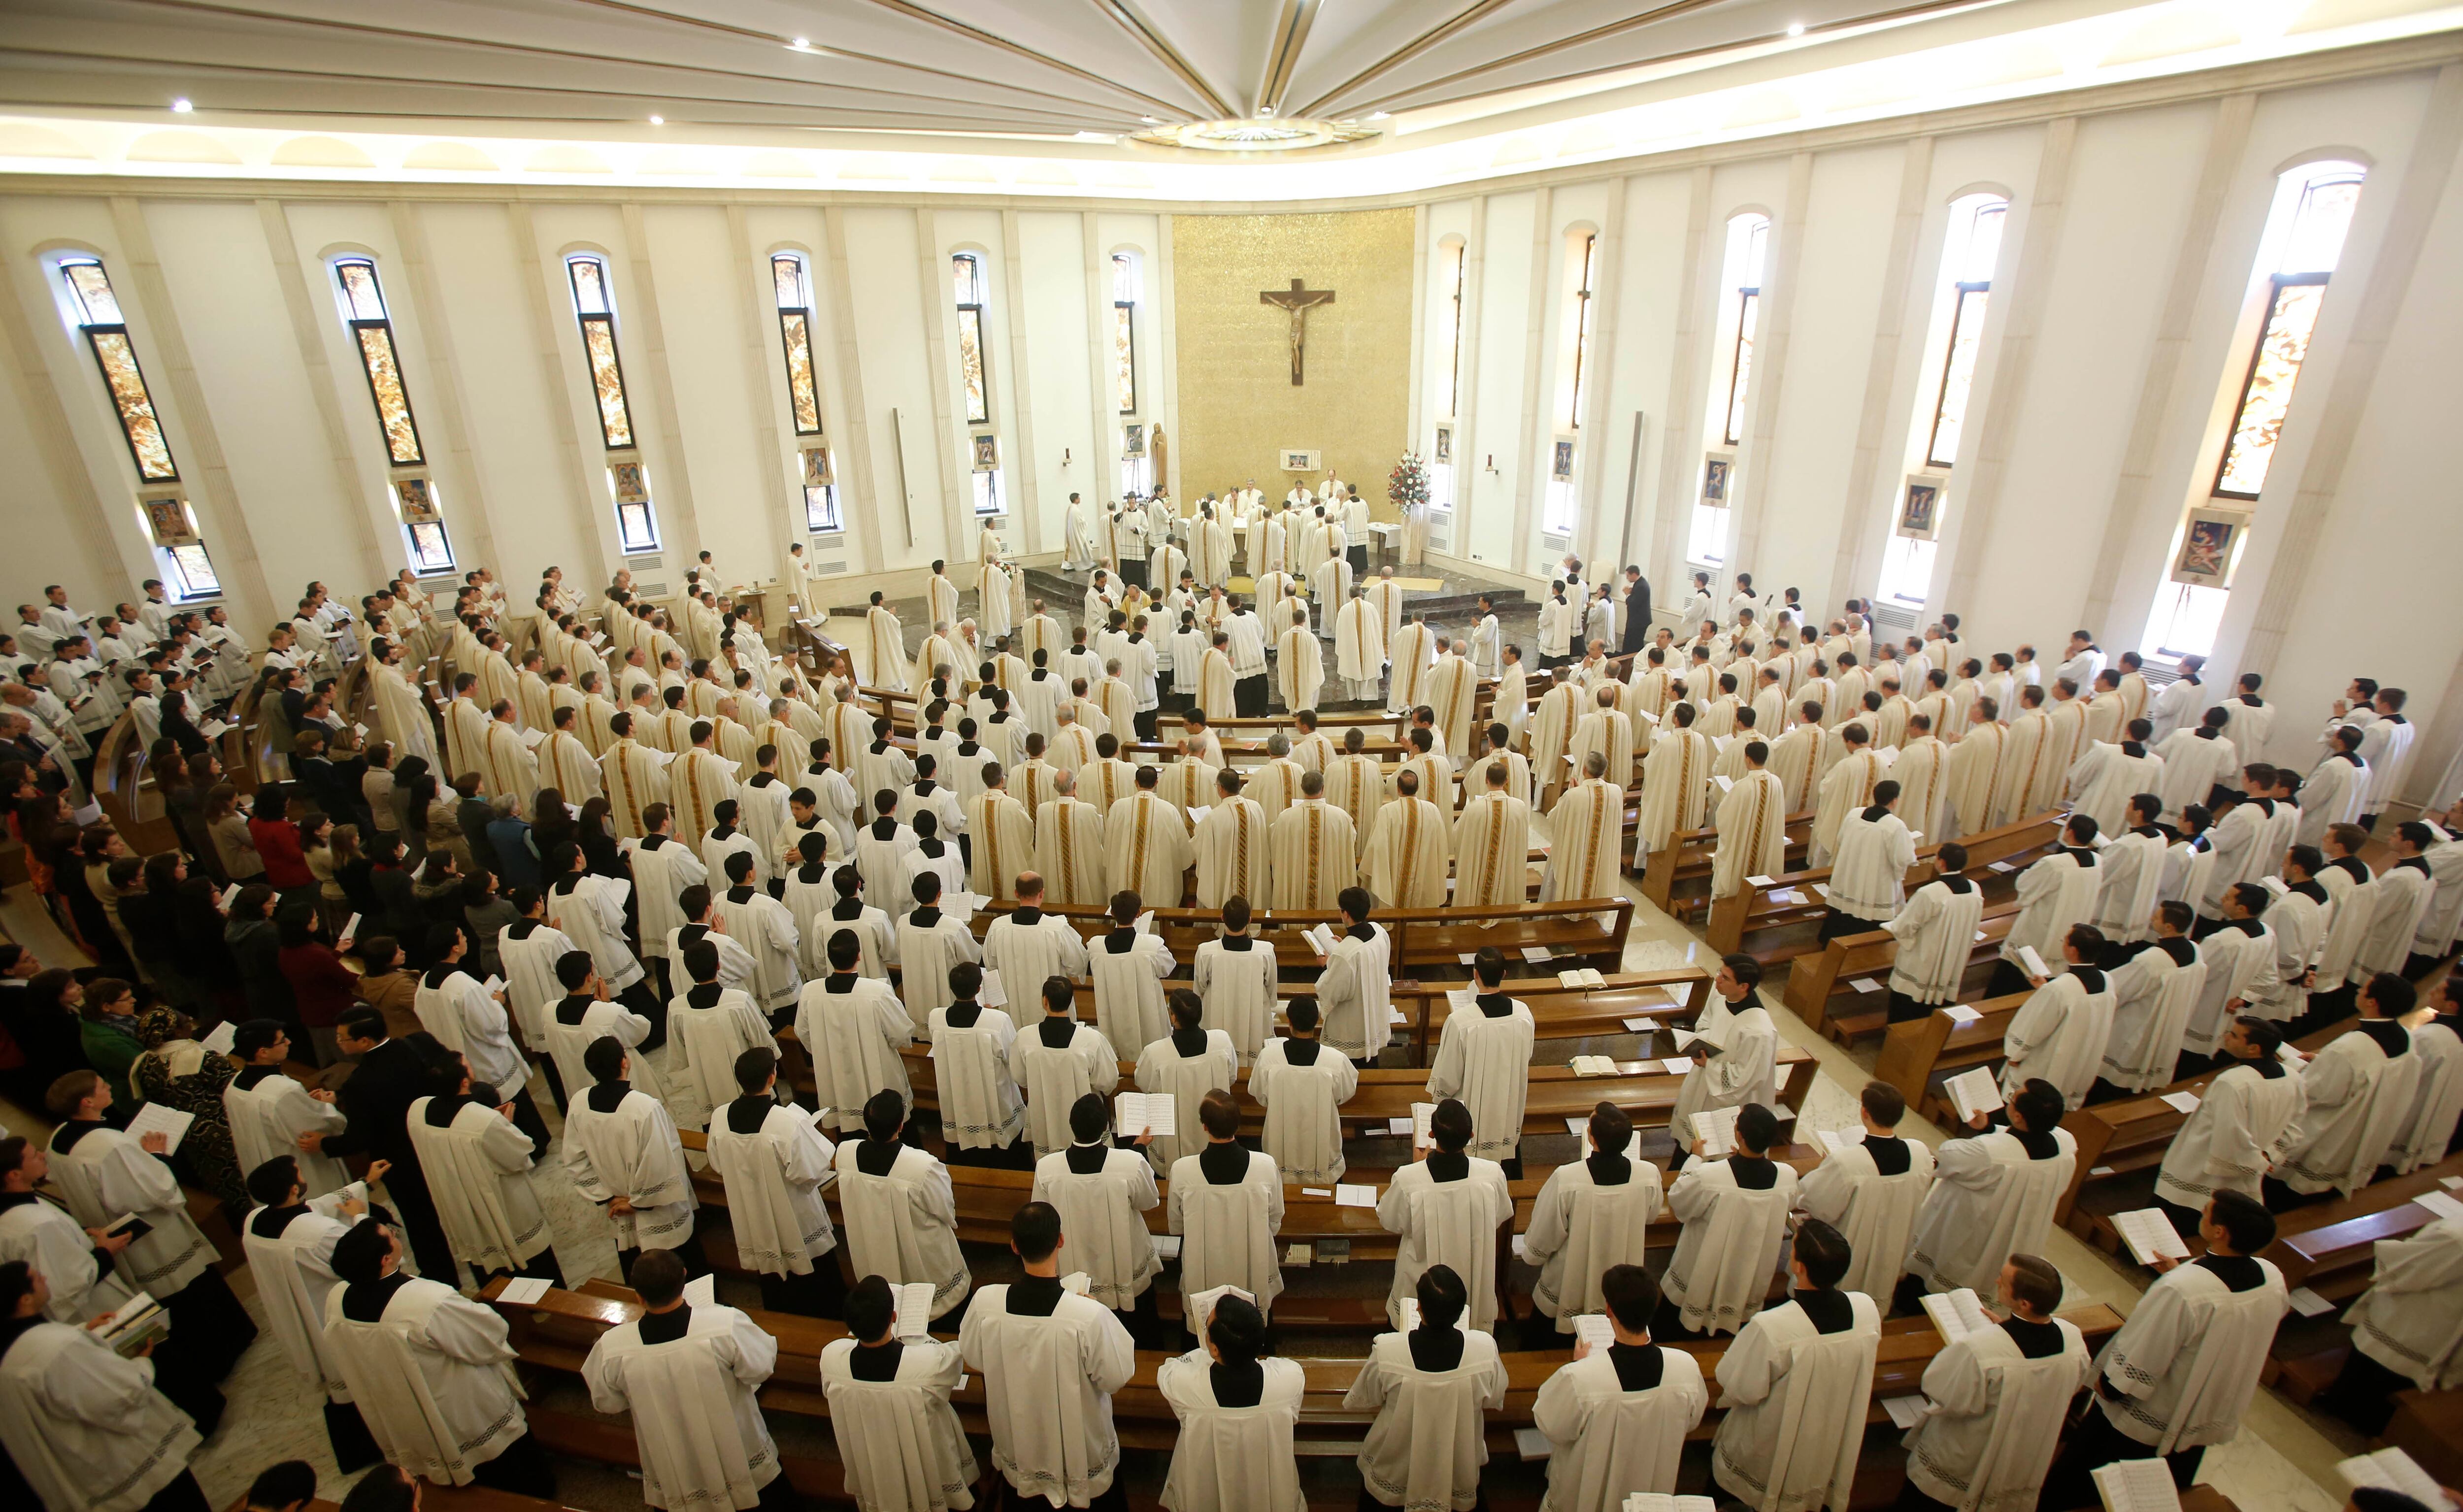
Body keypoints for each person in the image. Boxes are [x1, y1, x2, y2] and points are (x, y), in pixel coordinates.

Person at [41, 1069, 255, 1426]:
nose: (110, 1086)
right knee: (189, 1290)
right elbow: (153, 1191)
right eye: (102, 1086)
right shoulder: (109, 1144)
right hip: (154, 1235)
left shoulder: (60, 1139)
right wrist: (155, 1156)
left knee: (171, 1295)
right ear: (87, 1102)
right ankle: (224, 1352)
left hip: (121, 1235)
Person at [2042, 1192, 2288, 1501]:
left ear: (2219, 1232)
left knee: (2084, 1492)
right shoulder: (2271, 1278)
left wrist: (2110, 1386)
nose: (2202, 1211)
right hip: (2203, 1409)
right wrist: (2178, 1273)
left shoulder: (2184, 1290)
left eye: (2208, 1210)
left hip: (2146, 1418)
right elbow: (2226, 1322)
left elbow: (2151, 1347)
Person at [321, 1220, 557, 1494]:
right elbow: (486, 1334)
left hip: (402, 1403)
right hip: (457, 1402)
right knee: (506, 1464)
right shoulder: (426, 1301)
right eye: (392, 1235)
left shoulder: (337, 1298)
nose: (397, 1236)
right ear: (385, 1260)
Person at [959, 1202, 1139, 1512]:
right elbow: (1115, 1376)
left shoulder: (986, 1303)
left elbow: (975, 1357)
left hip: (1020, 1438)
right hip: (1078, 1444)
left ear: (1014, 1247)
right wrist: (1089, 1307)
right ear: (1060, 1240)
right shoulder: (1088, 1315)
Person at [582, 1247, 791, 1512]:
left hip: (672, 1459)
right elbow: (760, 1369)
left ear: (638, 1296)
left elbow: (607, 1403)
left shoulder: (612, 1347)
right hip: (736, 1446)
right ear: (684, 1278)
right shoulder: (724, 1324)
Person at [0, 1258, 212, 1512]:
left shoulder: (9, 1358)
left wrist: (83, 1332)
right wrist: (141, 1363)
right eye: (36, 1277)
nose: (45, 1278)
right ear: (25, 1299)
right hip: (123, 1462)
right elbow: (120, 1396)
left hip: (82, 1472)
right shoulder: (58, 1347)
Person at [1895, 1252, 2092, 1512]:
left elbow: (1943, 1393)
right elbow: (2069, 1384)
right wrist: (2006, 1330)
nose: (1997, 1281)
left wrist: (1987, 1342)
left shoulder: (1981, 1348)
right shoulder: (2073, 1338)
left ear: (2024, 1303)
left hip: (1969, 1452)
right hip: (2023, 1452)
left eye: (2004, 1280)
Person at [1708, 1219, 1883, 1512]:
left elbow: (1739, 1386)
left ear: (1799, 1266)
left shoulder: (1774, 1326)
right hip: (1831, 1429)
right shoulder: (1866, 1309)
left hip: (1774, 1436)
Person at [237, 1154, 385, 1469]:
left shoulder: (255, 1221)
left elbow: (317, 1205)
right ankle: (373, 1445)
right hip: (325, 1308)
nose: (304, 1177)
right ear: (293, 1189)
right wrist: (361, 1218)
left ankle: (352, 1451)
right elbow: (361, 1255)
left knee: (333, 1383)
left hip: (294, 1314)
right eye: (300, 1174)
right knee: (354, 1376)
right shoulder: (315, 1234)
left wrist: (363, 1184)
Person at [1529, 1263, 1706, 1510]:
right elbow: (1692, 1420)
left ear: (1609, 1309)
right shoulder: (1686, 1367)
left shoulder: (1581, 1378)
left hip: (1586, 1492)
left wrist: (1580, 1366)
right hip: (1650, 1485)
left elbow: (1551, 1424)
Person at [1343, 1265, 1507, 1512]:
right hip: (1456, 1458)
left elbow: (1367, 1397)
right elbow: (1495, 1397)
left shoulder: (1389, 1350)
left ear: (1419, 1308)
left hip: (1397, 1463)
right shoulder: (1484, 1349)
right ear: (1461, 1311)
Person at [1901, 1079, 2077, 1305]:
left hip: (1972, 1226)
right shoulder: (2066, 1144)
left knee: (1941, 1271)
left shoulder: (1987, 1153)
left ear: (2018, 1117)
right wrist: (1989, 1128)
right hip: (2018, 1228)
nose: (2010, 1098)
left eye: (2013, 1097)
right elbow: (2021, 1146)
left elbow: (1945, 1159)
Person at [818, 1274, 980, 1512]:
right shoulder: (926, 1366)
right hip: (925, 1454)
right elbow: (954, 1359)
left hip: (872, 1456)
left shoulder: (832, 1359)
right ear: (894, 1318)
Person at [704, 1046, 843, 1317]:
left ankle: (779, 1311)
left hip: (751, 1211)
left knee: (772, 1271)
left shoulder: (720, 1117)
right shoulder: (785, 1121)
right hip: (793, 1211)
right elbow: (812, 1171)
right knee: (817, 1281)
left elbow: (717, 1163)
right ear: (772, 1078)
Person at [405, 1053, 559, 1288]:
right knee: (531, 1262)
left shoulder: (417, 1110)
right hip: (500, 1200)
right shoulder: (483, 1120)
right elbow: (519, 1155)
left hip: (459, 1202)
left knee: (490, 1268)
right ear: (464, 1082)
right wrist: (505, 1124)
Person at [2269, 972, 2422, 1205]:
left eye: (2365, 988)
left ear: (2372, 1002)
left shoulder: (2350, 1048)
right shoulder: (2407, 1039)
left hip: (2330, 1128)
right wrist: (2323, 1062)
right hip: (2362, 1126)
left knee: (2289, 1187)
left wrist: (2293, 1065)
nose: (2359, 990)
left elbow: (2316, 1092)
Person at [562, 1036, 703, 1279]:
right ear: (624, 1062)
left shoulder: (579, 1103)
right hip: (656, 1210)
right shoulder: (643, 1108)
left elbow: (575, 1159)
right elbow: (660, 1162)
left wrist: (608, 1197)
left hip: (617, 1204)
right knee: (678, 1274)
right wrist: (636, 1202)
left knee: (641, 1269)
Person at [1155, 1290, 1306, 1512]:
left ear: (1214, 1349)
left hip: (1205, 1484)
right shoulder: (1289, 1379)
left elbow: (1169, 1369)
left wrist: (1208, 1354)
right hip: (1268, 1481)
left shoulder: (1186, 1385)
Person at [1522, 1104, 1661, 1342]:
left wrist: (1533, 1254)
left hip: (1570, 1277)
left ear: (1591, 1137)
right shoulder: (1648, 1174)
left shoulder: (1567, 1178)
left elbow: (1546, 1232)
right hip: (1623, 1279)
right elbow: (1650, 1216)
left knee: (1545, 1341)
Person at [2152, 1015, 2303, 1233]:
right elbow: (2296, 1123)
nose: (2227, 1037)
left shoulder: (2233, 1082)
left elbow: (2231, 1133)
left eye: (2234, 1035)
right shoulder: (2292, 1077)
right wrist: (2269, 1154)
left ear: (2253, 1049)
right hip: (2249, 1164)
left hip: (2205, 1163)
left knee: (2183, 1214)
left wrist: (2258, 1160)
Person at [1659, 1102, 1798, 1337]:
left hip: (1705, 1261)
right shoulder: (1787, 1176)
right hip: (1749, 1267)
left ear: (1739, 1135)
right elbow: (1788, 1205)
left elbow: (1679, 1198)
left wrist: (1695, 1158)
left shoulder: (1710, 1176)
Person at [2320, 1212, 2463, 1435]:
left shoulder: (2457, 1237)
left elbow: (2412, 1267)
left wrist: (2394, 1253)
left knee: (2375, 1371)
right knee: (2388, 1378)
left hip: (2417, 1317)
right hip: (2441, 1322)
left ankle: (2348, 1413)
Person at [1378, 1098, 1513, 1333]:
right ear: (1471, 1135)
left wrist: (1417, 1166)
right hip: (1473, 1267)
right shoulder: (1491, 1175)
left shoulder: (1408, 1178)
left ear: (1431, 1134)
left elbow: (1389, 1220)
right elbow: (1499, 1216)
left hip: (1424, 1275)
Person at [835, 1091, 970, 1322]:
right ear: (901, 1125)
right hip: (920, 1249)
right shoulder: (922, 1166)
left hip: (873, 1243)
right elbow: (945, 1209)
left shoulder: (845, 1154)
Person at [1796, 1081, 1935, 1303]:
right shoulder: (1920, 1153)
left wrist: (1828, 1169)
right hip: (1894, 1244)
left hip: (1850, 1247)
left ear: (1865, 1112)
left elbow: (1814, 1203)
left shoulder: (1848, 1161)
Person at [1031, 1093, 1161, 1327]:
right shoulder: (1130, 1163)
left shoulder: (1047, 1168)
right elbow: (1149, 1201)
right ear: (1105, 1128)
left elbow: (1043, 1215)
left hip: (1073, 1256)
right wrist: (1139, 1149)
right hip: (1123, 1256)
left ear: (1072, 1126)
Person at [1167, 1089, 1286, 1320]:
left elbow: (1177, 1223)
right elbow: (1275, 1217)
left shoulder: (1182, 1170)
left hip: (1203, 1262)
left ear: (1204, 1126)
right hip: (1253, 1256)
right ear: (1237, 1124)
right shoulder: (1265, 1166)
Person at [1425, 946, 1535, 1175]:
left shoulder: (1461, 1021)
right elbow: (1527, 1056)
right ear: (1505, 974)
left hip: (1469, 1115)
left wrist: (1439, 1101)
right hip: (1507, 1105)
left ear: (1475, 975)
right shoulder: (1524, 1014)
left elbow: (1448, 1078)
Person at [796, 930, 916, 1139]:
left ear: (830, 958)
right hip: (876, 1069)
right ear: (859, 956)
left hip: (835, 1074)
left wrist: (825, 1050)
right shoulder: (877, 992)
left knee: (848, 1131)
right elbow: (901, 1033)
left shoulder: (810, 992)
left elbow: (803, 1033)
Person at [1669, 954, 1780, 1166]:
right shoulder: (1721, 995)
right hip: (1702, 1080)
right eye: (1720, 972)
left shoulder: (1759, 1031)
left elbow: (1745, 1079)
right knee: (1688, 1138)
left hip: (1729, 1100)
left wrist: (1709, 1065)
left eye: (1725, 977)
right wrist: (1703, 1042)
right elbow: (1706, 1021)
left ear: (1744, 986)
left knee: (1714, 1151)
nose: (1718, 979)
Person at [223, 1019, 351, 1194]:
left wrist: (306, 1103)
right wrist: (328, 1106)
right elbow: (316, 1129)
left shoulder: (233, 1087)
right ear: (263, 1052)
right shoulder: (283, 1091)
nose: (289, 1042)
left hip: (267, 1165)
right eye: (283, 1040)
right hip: (302, 1169)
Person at [1997, 923, 2117, 1107]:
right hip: (2079, 1058)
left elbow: (2034, 1027)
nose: (2062, 944)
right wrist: (2045, 987)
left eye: (2064, 941)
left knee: (2029, 1107)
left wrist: (2014, 1055)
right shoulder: (2107, 980)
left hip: (2048, 1061)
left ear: (2073, 950)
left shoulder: (2061, 988)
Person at [666, 938, 779, 1122]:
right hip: (752, 1084)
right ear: (719, 966)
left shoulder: (676, 1008)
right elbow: (762, 1041)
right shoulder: (738, 1001)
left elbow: (678, 1055)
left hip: (708, 1086)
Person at [1249, 997, 1356, 1183]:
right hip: (1323, 1146)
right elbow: (1344, 1095)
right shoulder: (1335, 1060)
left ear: (1289, 1022)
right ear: (1317, 1021)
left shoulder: (1268, 1058)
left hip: (1280, 1141)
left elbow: (1261, 1096)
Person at [1881, 843, 1984, 1023]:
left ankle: (1897, 1036)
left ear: (1942, 863)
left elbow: (1906, 925)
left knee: (1908, 1007)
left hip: (1925, 956)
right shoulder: (1975, 889)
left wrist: (1893, 927)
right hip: (1952, 956)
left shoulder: (1931, 893)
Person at [1193, 895, 1278, 1064]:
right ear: (1250, 920)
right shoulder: (1265, 951)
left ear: (1223, 919)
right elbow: (1271, 988)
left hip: (1216, 1015)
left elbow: (1199, 988)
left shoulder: (1206, 951)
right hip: (1254, 1015)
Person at [1318, 887, 1395, 1064]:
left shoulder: (1345, 953)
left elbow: (1331, 992)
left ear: (1345, 914)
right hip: (1373, 1014)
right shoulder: (1379, 932)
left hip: (1352, 1028)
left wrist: (1326, 966)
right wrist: (1345, 945)